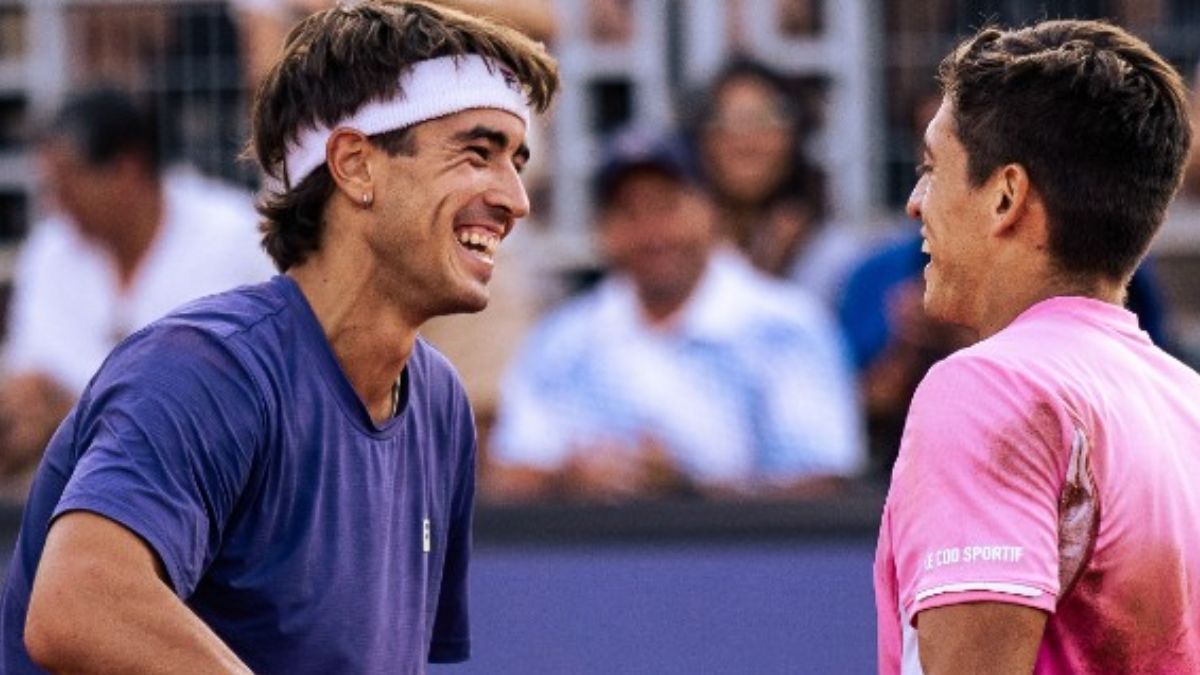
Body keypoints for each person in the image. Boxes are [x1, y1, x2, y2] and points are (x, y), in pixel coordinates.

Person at [0, 1, 558, 672]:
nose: (515, 198)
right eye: (477, 154)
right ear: (355, 165)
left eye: (516, 162)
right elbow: (78, 604)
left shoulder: (439, 404)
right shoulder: (206, 368)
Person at [874, 19, 1199, 674]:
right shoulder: (1190, 402)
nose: (915, 203)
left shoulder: (989, 388)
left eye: (933, 168)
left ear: (1006, 195)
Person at [486, 127, 863, 502]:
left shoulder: (787, 328)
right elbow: (505, 477)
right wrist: (567, 478)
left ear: (712, 211)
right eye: (628, 211)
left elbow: (822, 483)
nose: (652, 232)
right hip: (590, 558)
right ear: (603, 229)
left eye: (667, 205)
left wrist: (688, 490)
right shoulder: (562, 339)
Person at [0, 87, 274, 503]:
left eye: (69, 183)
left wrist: (70, 408)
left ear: (127, 170)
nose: (57, 203)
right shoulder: (50, 248)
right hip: (78, 489)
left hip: (216, 481)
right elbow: (31, 375)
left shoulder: (232, 234)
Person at [689, 57, 863, 307]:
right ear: (703, 141)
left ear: (795, 138)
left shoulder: (835, 259)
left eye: (766, 121)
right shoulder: (680, 251)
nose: (747, 143)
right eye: (729, 122)